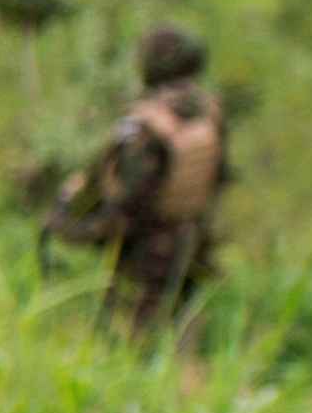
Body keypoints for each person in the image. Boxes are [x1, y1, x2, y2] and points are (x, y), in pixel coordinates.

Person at [50, 23, 230, 341]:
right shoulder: (210, 113)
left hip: (147, 250)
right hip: (191, 241)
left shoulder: (148, 122)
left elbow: (128, 198)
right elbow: (219, 179)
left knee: (127, 338)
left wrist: (79, 226)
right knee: (178, 334)